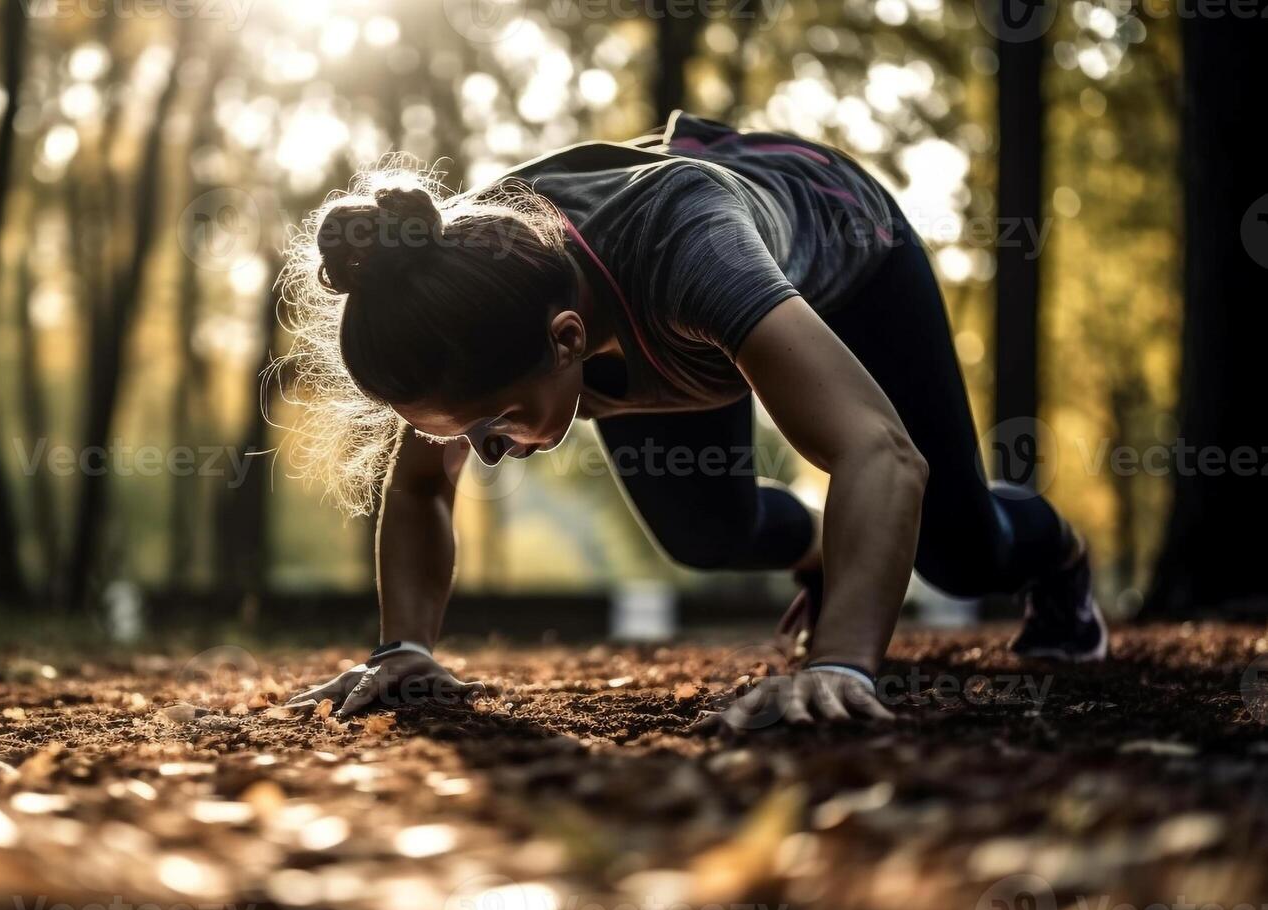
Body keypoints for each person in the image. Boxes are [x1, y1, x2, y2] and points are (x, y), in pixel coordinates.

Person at [279, 113, 1106, 729]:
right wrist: (404, 649)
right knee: (708, 535)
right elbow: (422, 487)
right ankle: (828, 545)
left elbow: (879, 454)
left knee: (960, 553)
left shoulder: (687, 251)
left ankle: (1061, 559)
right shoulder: (454, 303)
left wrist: (840, 667)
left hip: (850, 255)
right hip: (665, 321)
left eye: (492, 431)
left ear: (566, 339)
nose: (484, 459)